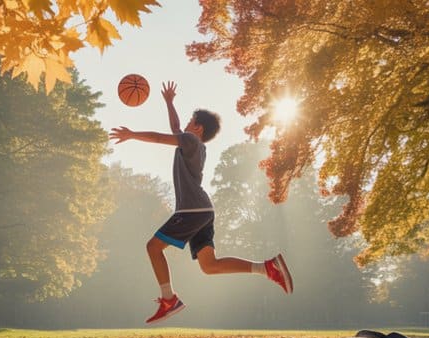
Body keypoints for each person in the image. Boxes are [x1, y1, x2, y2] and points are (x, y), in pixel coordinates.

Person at [110, 81, 293, 324]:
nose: (184, 124)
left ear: (197, 127)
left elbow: (158, 137)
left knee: (153, 248)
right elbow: (175, 128)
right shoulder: (194, 144)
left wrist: (132, 134)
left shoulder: (190, 141)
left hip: (192, 210)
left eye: (189, 120)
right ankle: (267, 268)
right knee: (210, 265)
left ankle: (169, 299)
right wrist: (168, 102)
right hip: (203, 211)